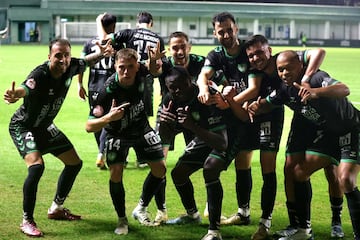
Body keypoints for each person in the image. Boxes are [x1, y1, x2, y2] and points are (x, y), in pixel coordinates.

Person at [4, 38, 113, 237]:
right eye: (58, 56)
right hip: (23, 126)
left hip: (45, 126)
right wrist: (15, 94)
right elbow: (25, 88)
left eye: (66, 55)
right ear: (49, 56)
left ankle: (56, 208)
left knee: (74, 163)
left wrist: (101, 54)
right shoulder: (40, 74)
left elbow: (86, 61)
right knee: (37, 167)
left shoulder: (71, 66)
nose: (63, 60)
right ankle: (26, 220)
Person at [247, 50, 360, 240]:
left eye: (288, 68)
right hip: (328, 136)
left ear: (300, 66)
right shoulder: (285, 89)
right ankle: (304, 231)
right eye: (280, 70)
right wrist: (256, 106)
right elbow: (268, 103)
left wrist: (316, 92)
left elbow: (344, 89)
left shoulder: (317, 78)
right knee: (299, 173)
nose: (284, 74)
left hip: (352, 130)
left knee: (346, 180)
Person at [85, 48, 166, 235]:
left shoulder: (141, 71)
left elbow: (154, 70)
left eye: (131, 66)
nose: (127, 72)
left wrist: (153, 61)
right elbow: (89, 126)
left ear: (137, 66)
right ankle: (122, 219)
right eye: (122, 67)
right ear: (115, 67)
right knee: (116, 173)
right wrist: (108, 118)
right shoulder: (106, 91)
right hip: (116, 132)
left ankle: (141, 207)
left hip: (141, 128)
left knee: (160, 169)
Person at [160, 66, 247, 240]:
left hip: (229, 134)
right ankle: (192, 215)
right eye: (172, 88)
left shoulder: (208, 96)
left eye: (180, 86)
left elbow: (221, 144)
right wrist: (165, 123)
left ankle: (214, 232)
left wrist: (191, 126)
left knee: (210, 168)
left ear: (189, 81)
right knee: (178, 173)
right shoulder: (170, 99)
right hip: (205, 133)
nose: (177, 91)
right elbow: (165, 137)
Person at [147, 31, 205, 226]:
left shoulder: (200, 62)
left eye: (182, 47)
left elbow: (218, 80)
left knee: (203, 160)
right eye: (175, 48)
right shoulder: (165, 64)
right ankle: (161, 210)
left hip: (193, 116)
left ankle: (206, 206)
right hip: (168, 115)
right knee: (159, 162)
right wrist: (154, 62)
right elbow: (154, 71)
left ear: (189, 47)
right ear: (169, 50)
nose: (179, 51)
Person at [98, 11, 165, 168]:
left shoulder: (128, 33)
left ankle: (113, 155)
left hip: (124, 80)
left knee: (116, 116)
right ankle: (142, 158)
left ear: (137, 22)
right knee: (140, 115)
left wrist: (99, 24)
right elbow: (160, 67)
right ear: (151, 23)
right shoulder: (157, 39)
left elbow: (105, 39)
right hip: (145, 81)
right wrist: (162, 86)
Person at [78, 13, 117, 170]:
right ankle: (102, 153)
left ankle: (101, 152)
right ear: (113, 26)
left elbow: (82, 64)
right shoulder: (115, 42)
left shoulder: (89, 44)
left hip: (94, 87)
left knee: (96, 119)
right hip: (110, 87)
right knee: (109, 120)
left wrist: (79, 84)